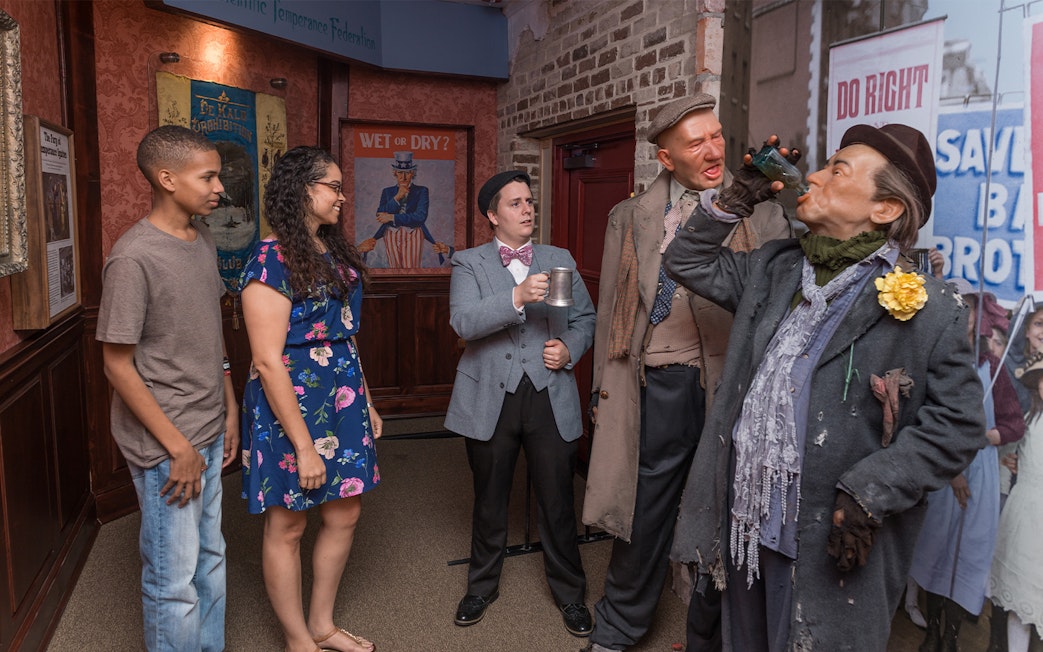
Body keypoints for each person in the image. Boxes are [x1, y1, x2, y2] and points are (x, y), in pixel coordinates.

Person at [664, 123, 986, 650]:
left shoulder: (929, 307)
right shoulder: (774, 268)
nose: (811, 175)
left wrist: (870, 489)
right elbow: (686, 260)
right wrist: (737, 198)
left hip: (822, 539)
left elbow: (958, 425)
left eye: (837, 169)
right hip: (742, 522)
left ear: (884, 209)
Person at [581, 93, 790, 652]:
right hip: (661, 379)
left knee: (728, 509)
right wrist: (603, 387)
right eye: (696, 142)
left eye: (717, 135)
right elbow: (611, 307)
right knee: (644, 511)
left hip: (734, 383)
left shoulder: (764, 211)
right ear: (667, 158)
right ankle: (618, 627)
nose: (714, 149)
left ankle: (713, 635)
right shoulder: (631, 215)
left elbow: (777, 303)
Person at [97, 125, 240, 651]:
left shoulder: (201, 238)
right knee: (173, 580)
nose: (218, 187)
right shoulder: (134, 257)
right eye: (207, 176)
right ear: (166, 178)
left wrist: (230, 409)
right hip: (166, 445)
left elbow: (210, 334)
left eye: (218, 175)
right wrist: (177, 447)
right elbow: (117, 365)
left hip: (206, 425)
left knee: (211, 559)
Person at [238, 146, 381, 652]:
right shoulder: (269, 258)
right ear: (304, 190)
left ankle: (322, 623)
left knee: (345, 512)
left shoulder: (332, 250)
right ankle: (298, 639)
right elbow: (268, 360)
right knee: (289, 520)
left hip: (340, 396)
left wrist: (364, 398)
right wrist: (302, 447)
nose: (343, 197)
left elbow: (345, 330)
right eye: (335, 187)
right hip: (289, 403)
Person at [444, 170, 597, 637]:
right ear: (493, 216)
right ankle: (481, 586)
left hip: (549, 392)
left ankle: (570, 594)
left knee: (557, 497)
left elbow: (585, 318)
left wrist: (570, 347)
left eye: (529, 201)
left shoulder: (558, 258)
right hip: (491, 393)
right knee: (490, 498)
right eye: (515, 203)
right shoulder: (468, 262)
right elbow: (464, 323)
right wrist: (514, 296)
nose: (527, 209)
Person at [908, 285, 1023, 651]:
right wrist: (953, 470)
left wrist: (986, 436)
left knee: (968, 555)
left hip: (982, 475)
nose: (965, 315)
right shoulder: (940, 357)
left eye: (972, 309)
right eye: (961, 308)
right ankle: (931, 634)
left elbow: (1014, 423)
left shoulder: (994, 367)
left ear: (981, 319)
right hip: (943, 469)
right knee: (937, 550)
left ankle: (951, 637)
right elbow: (925, 416)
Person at [990, 354, 1043, 652]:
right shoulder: (1030, 420)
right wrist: (1011, 462)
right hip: (1025, 514)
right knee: (1019, 601)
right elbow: (1008, 452)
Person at [358, 151, 435, 268]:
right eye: (400, 172)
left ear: (412, 173)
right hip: (391, 233)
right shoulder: (387, 191)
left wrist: (392, 217)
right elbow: (380, 213)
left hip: (413, 233)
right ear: (395, 172)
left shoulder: (421, 191)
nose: (403, 177)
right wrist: (397, 197)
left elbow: (420, 217)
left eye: (407, 173)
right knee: (394, 269)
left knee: (411, 269)